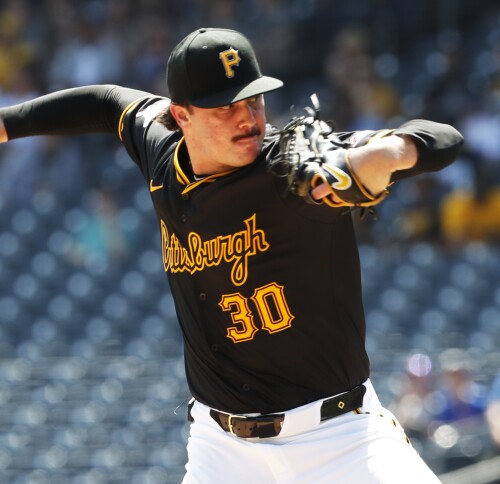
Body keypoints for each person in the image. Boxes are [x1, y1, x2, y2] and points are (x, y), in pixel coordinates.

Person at [0, 27, 463, 483]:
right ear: (180, 115)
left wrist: (393, 151)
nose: (248, 118)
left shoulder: (294, 168)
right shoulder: (160, 150)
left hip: (339, 439)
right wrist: (8, 123)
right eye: (226, 106)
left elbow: (445, 137)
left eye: (254, 100)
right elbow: (103, 102)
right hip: (221, 450)